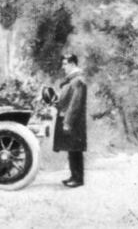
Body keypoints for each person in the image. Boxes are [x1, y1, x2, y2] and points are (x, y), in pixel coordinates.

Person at [53, 54, 88, 188]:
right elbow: (65, 100)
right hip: (69, 119)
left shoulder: (77, 80)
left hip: (74, 121)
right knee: (71, 149)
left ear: (72, 64)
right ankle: (74, 176)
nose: (63, 67)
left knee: (75, 149)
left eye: (65, 64)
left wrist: (67, 122)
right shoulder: (71, 80)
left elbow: (75, 105)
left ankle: (78, 179)